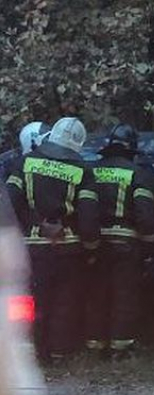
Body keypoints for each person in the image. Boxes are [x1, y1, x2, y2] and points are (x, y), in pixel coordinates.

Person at [4, 117, 100, 360]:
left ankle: (28, 352)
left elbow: (10, 204)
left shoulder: (24, 163)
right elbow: (88, 215)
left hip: (32, 247)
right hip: (67, 249)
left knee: (28, 301)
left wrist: (32, 225)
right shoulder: (82, 170)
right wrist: (91, 247)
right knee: (64, 303)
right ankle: (58, 354)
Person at [85, 123, 154, 356]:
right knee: (124, 295)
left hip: (96, 242)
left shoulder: (92, 171)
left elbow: (84, 208)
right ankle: (121, 348)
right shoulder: (137, 174)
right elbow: (145, 214)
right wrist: (150, 243)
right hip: (126, 243)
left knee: (97, 293)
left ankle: (95, 346)